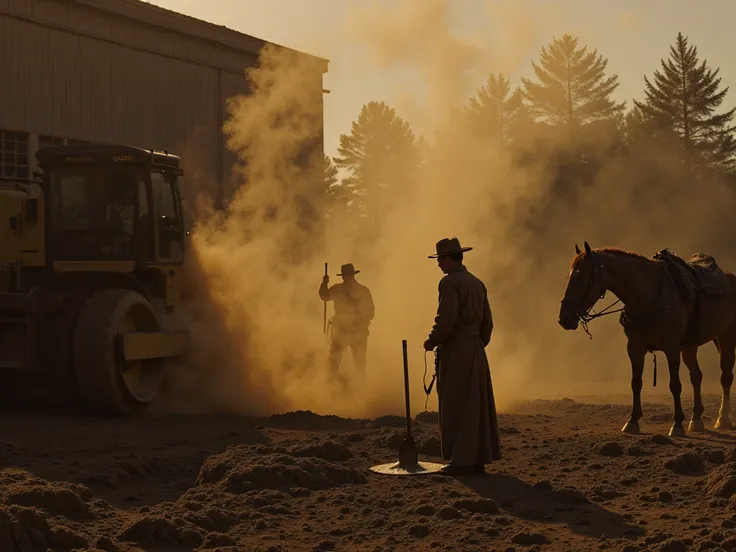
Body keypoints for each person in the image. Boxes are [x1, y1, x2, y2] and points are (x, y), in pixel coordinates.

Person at [423, 237, 501, 476]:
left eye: (440, 260)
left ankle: (459, 460)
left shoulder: (449, 283)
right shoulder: (477, 283)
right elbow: (488, 324)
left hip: (457, 349)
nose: (438, 265)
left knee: (455, 404)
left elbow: (446, 320)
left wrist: (432, 340)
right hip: (475, 348)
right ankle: (476, 459)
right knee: (475, 405)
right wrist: (476, 345)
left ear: (448, 258)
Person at [319, 263, 375, 386]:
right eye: (346, 276)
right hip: (345, 329)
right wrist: (324, 283)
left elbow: (371, 311)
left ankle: (356, 388)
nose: (347, 278)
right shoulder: (361, 290)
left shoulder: (343, 289)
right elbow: (324, 296)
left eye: (347, 275)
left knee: (354, 362)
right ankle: (331, 387)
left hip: (351, 330)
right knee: (336, 361)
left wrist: (362, 322)